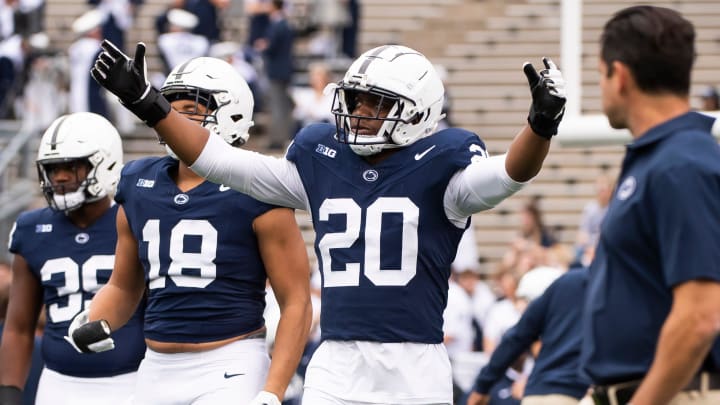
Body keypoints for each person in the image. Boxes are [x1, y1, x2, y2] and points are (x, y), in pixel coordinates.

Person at [90, 39, 567, 404]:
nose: (358, 113)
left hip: (414, 367)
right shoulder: (322, 164)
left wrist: (540, 126)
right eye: (356, 100)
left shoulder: (444, 172)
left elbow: (510, 173)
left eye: (374, 104)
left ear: (418, 111)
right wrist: (149, 104)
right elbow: (221, 162)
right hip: (336, 363)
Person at [68, 56, 312, 405]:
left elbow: (296, 302)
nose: (174, 119)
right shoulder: (139, 181)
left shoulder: (257, 189)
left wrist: (272, 391)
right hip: (155, 365)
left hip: (231, 361)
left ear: (232, 114)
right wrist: (96, 319)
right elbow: (123, 285)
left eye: (190, 108)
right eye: (169, 108)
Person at [579, 5, 720, 405]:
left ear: (619, 75)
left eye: (600, 74)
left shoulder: (682, 164)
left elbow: (700, 316)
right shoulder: (667, 158)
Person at [0, 112, 146, 405]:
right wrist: (9, 392)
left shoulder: (137, 221)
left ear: (104, 164)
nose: (61, 177)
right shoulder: (32, 228)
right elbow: (18, 326)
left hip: (132, 380)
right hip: (58, 383)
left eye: (72, 166)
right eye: (53, 169)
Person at [467, 266, 588, 405]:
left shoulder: (568, 285)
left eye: (526, 300)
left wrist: (483, 385)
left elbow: (516, 339)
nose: (520, 306)